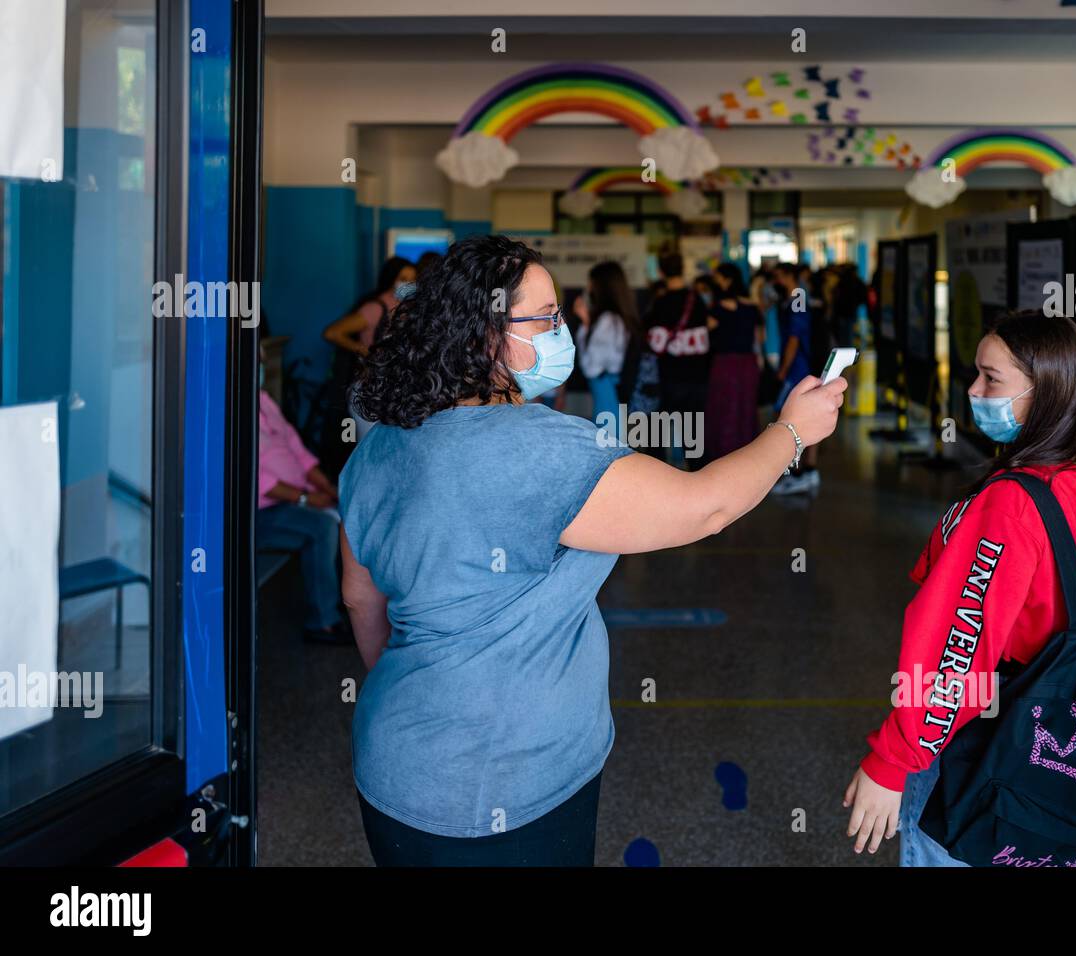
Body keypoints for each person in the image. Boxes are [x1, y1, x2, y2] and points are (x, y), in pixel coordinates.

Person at [340, 236, 845, 866]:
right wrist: (791, 432)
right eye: (547, 317)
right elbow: (704, 507)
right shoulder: (540, 449)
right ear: (483, 336)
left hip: (393, 764)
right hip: (505, 789)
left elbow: (361, 599)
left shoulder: (379, 445)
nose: (565, 328)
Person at [844, 311, 1076, 864]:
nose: (974, 391)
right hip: (1063, 747)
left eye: (990, 378)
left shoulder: (1012, 501)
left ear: (1044, 391)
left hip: (984, 749)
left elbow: (957, 641)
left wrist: (893, 760)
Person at [257, 363, 350, 644]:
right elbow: (254, 477)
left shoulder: (263, 401)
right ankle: (322, 622)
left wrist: (328, 487)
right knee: (320, 528)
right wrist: (305, 498)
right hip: (262, 510)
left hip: (299, 495)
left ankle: (352, 604)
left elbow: (296, 450)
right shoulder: (227, 408)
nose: (260, 365)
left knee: (349, 514)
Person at [320, 257, 418, 468]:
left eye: (412, 279)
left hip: (397, 388)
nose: (408, 284)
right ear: (390, 279)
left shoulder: (410, 308)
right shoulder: (377, 307)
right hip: (371, 388)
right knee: (372, 451)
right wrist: (367, 351)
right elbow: (333, 332)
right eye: (403, 278)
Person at [644, 252, 712, 468]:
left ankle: (660, 487)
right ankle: (699, 487)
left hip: (668, 379)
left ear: (661, 272)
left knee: (656, 438)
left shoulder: (661, 303)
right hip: (697, 378)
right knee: (693, 441)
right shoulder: (697, 300)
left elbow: (653, 343)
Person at [703, 262, 763, 462]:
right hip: (748, 364)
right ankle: (747, 453)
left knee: (723, 409)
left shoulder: (718, 307)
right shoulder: (752, 307)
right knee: (745, 409)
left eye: (718, 278)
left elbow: (705, 334)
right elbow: (759, 339)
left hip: (725, 364)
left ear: (727, 280)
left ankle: (723, 456)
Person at [771, 262, 820, 493]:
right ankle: (804, 470)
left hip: (797, 368)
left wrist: (783, 369)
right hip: (798, 366)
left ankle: (802, 470)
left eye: (779, 277)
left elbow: (794, 338)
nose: (775, 282)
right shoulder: (791, 299)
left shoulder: (798, 299)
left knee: (790, 418)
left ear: (789, 276)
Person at [574, 261, 636, 428]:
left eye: (591, 283)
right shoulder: (618, 318)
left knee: (609, 443)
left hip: (607, 392)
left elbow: (591, 367)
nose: (588, 288)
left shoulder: (607, 321)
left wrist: (586, 323)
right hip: (613, 390)